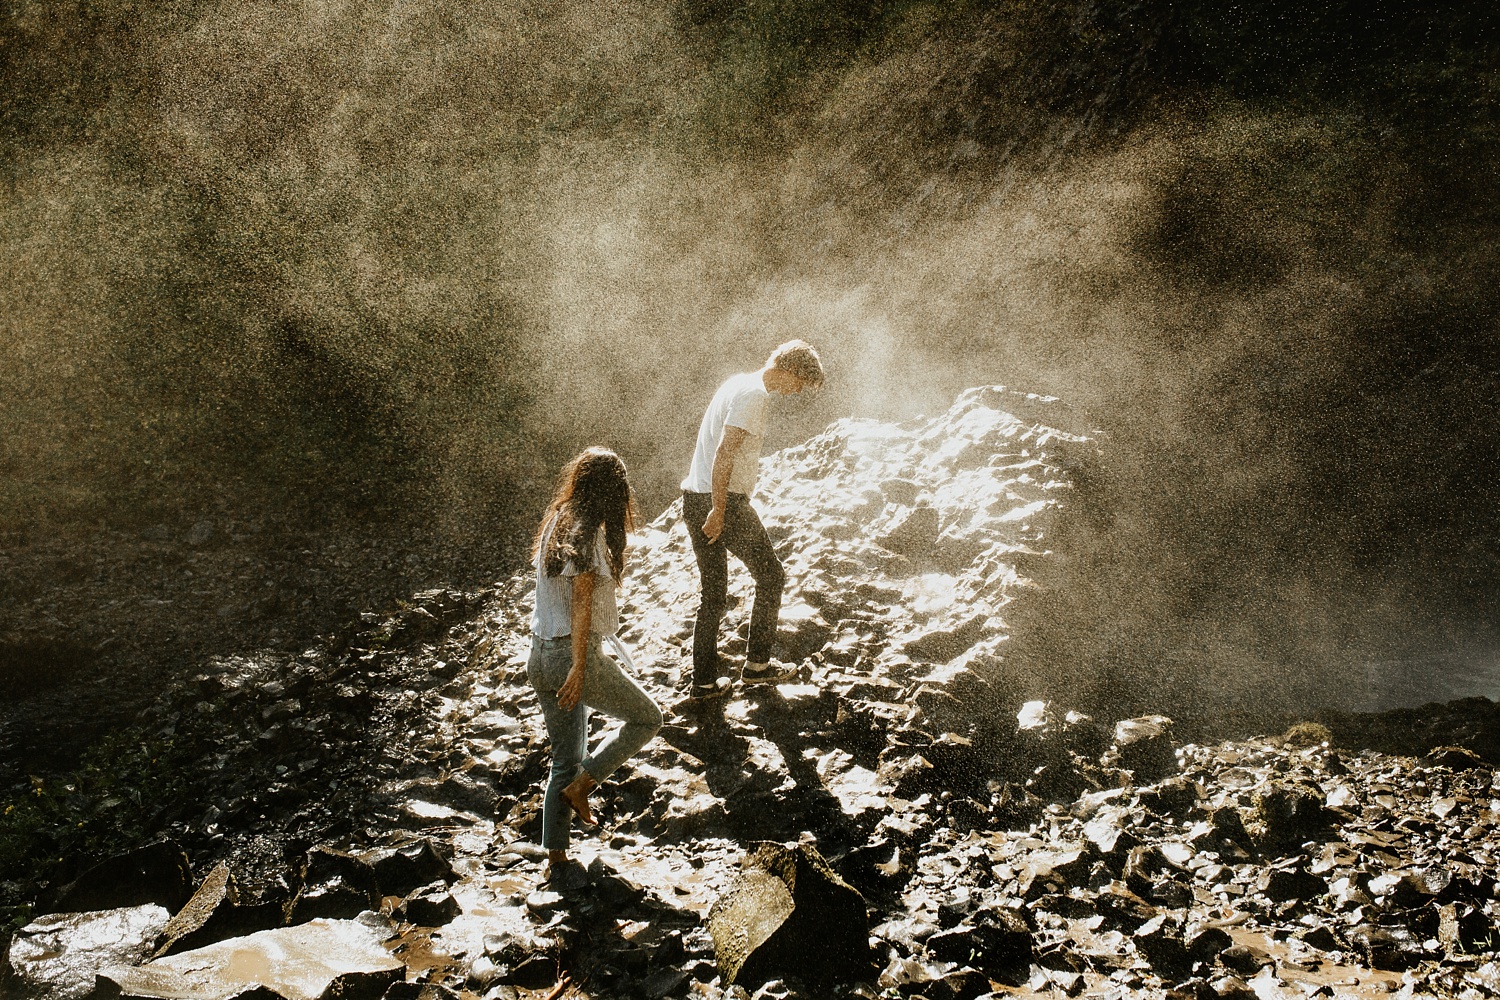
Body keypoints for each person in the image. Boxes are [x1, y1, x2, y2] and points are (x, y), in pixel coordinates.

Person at [527, 446, 663, 885]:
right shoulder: (588, 533)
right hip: (571, 655)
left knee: (564, 759)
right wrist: (581, 667)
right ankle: (587, 784)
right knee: (647, 718)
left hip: (539, 655)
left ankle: (557, 859)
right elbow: (582, 602)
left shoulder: (555, 522)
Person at [680, 340, 826, 702]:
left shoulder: (736, 383)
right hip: (722, 501)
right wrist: (719, 510)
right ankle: (757, 667)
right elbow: (724, 453)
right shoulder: (754, 395)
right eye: (800, 385)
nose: (796, 393)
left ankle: (704, 685)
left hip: (694, 496)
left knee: (713, 597)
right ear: (792, 370)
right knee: (772, 576)